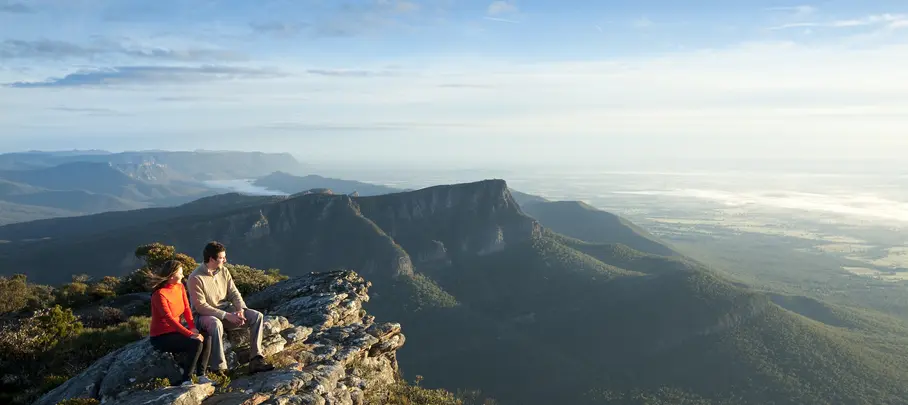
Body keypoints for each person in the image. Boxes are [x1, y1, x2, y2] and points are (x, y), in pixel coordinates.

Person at [187, 241, 274, 375]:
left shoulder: (224, 271)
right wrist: (227, 316)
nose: (225, 260)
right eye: (222, 258)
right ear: (211, 259)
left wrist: (240, 310)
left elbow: (233, 293)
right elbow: (200, 306)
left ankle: (256, 360)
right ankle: (219, 368)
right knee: (216, 324)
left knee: (257, 316)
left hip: (227, 310)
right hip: (204, 316)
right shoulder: (195, 278)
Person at [147, 260, 213, 385]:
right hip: (161, 337)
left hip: (176, 331)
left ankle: (201, 376)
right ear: (172, 276)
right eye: (180, 273)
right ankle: (186, 379)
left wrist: (193, 328)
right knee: (196, 342)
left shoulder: (180, 287)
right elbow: (169, 319)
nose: (183, 276)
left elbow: (187, 309)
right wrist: (190, 334)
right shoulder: (159, 294)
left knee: (207, 337)